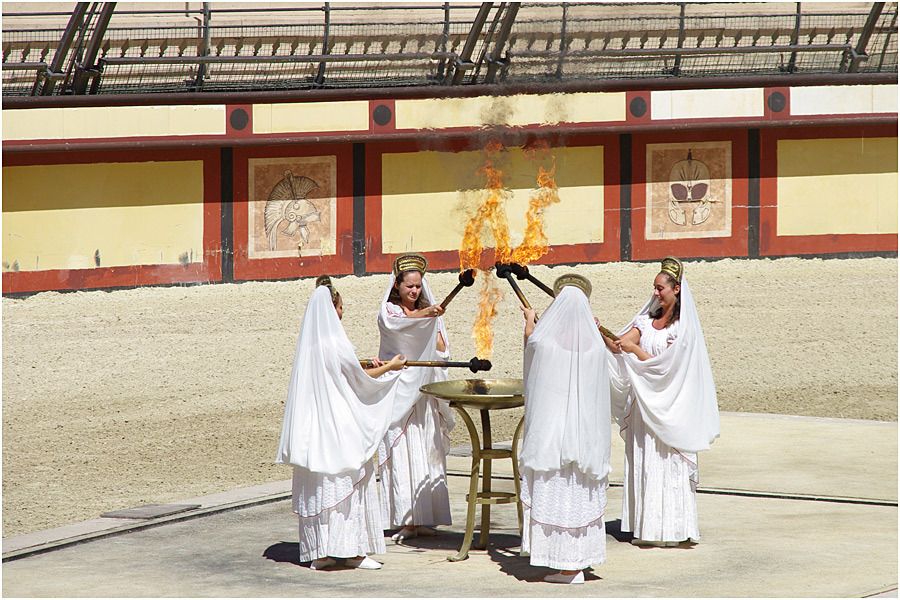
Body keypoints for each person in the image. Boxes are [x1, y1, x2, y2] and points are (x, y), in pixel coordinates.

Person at [275, 275, 408, 571]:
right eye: (341, 306)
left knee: (320, 481)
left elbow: (337, 371)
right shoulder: (336, 340)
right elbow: (357, 379)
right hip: (338, 423)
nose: (343, 312)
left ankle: (321, 552)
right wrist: (391, 368)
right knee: (347, 478)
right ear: (333, 308)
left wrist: (362, 362)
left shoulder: (311, 343)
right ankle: (352, 552)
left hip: (314, 426)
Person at [602, 257, 720, 547]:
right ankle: (648, 525)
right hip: (644, 404)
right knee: (646, 461)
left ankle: (673, 527)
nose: (655, 293)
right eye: (654, 288)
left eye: (660, 288)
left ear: (676, 289)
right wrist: (598, 329)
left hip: (670, 405)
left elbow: (670, 367)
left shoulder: (681, 329)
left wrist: (635, 352)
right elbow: (620, 345)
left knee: (667, 462)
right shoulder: (645, 322)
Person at [519, 273, 611, 585]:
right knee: (578, 494)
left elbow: (532, 350)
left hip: (554, 435)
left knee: (560, 491)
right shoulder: (596, 347)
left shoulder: (546, 343)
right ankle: (578, 561)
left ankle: (565, 565)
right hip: (585, 437)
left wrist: (531, 321)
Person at [376, 253, 454, 543]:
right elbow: (401, 324)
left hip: (423, 391)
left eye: (418, 287)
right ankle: (407, 518)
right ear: (397, 285)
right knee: (403, 449)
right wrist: (426, 315)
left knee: (427, 446)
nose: (414, 292)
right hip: (399, 389)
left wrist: (432, 324)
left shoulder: (427, 315)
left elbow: (441, 349)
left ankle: (426, 517)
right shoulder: (388, 311)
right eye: (409, 286)